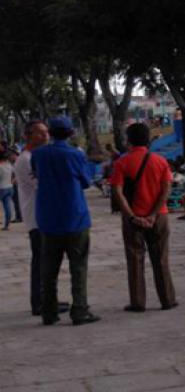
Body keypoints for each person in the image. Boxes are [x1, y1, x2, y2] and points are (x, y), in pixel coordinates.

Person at [32, 116, 100, 326]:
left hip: (48, 218)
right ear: (71, 133)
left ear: (50, 133)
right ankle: (79, 310)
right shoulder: (75, 154)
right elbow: (86, 182)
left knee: (48, 269)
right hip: (75, 217)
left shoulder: (38, 154)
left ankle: (49, 311)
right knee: (78, 267)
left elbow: (36, 174)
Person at [110, 123, 177, 312]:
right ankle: (167, 299)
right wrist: (154, 214)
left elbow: (117, 191)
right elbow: (166, 189)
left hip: (133, 219)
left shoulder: (122, 162)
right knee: (161, 259)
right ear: (148, 139)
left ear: (128, 140)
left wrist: (131, 217)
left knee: (135, 259)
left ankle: (138, 302)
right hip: (159, 217)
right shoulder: (160, 161)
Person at [15, 120, 70, 316]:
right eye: (39, 133)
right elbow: (40, 184)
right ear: (28, 136)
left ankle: (48, 299)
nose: (45, 136)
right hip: (36, 217)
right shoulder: (26, 159)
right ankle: (39, 302)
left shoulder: (38, 157)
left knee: (47, 261)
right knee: (41, 260)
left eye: (46, 132)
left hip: (45, 215)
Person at [0, 151, 13, 230]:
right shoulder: (9, 165)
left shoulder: (0, 167)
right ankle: (6, 225)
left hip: (1, 188)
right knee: (7, 207)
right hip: (9, 187)